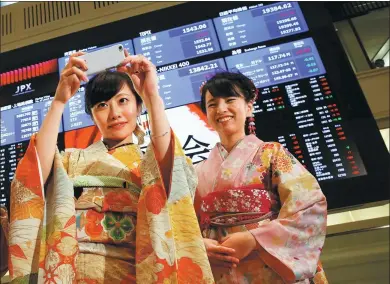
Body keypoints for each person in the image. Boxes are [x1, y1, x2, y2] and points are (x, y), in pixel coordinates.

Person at [8, 51, 214, 283]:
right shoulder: (70, 161)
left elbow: (170, 174)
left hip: (133, 271)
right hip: (72, 272)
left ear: (139, 106)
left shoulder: (148, 164)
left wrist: (151, 95)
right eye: (102, 105)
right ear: (93, 115)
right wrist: (59, 101)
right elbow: (32, 177)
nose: (114, 113)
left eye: (123, 100)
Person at [194, 72, 328, 283]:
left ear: (249, 107)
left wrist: (254, 239)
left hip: (268, 262)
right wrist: (199, 244)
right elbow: (183, 220)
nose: (221, 109)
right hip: (221, 264)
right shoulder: (196, 171)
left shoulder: (272, 153)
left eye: (230, 100)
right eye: (212, 104)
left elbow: (309, 205)